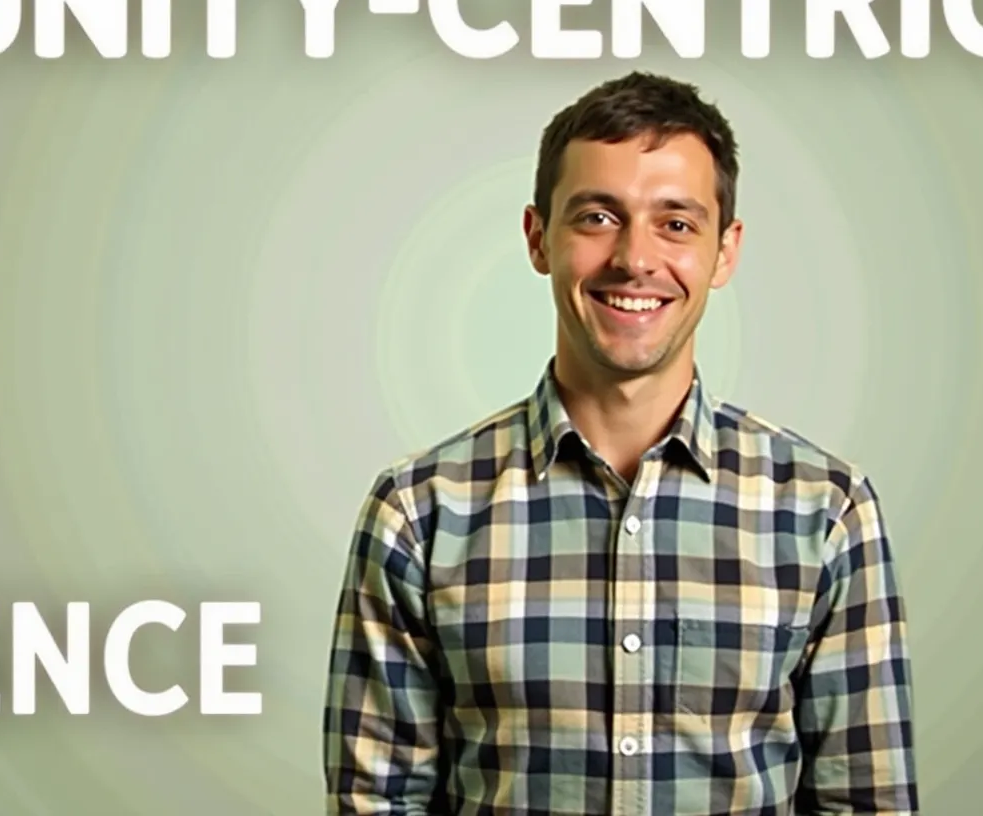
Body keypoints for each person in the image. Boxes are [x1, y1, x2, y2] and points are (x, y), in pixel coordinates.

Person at [321, 72, 918, 815]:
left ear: (724, 252)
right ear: (539, 239)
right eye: (599, 217)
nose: (635, 258)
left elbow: (868, 804)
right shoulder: (420, 513)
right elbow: (376, 804)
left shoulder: (824, 512)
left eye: (676, 223)